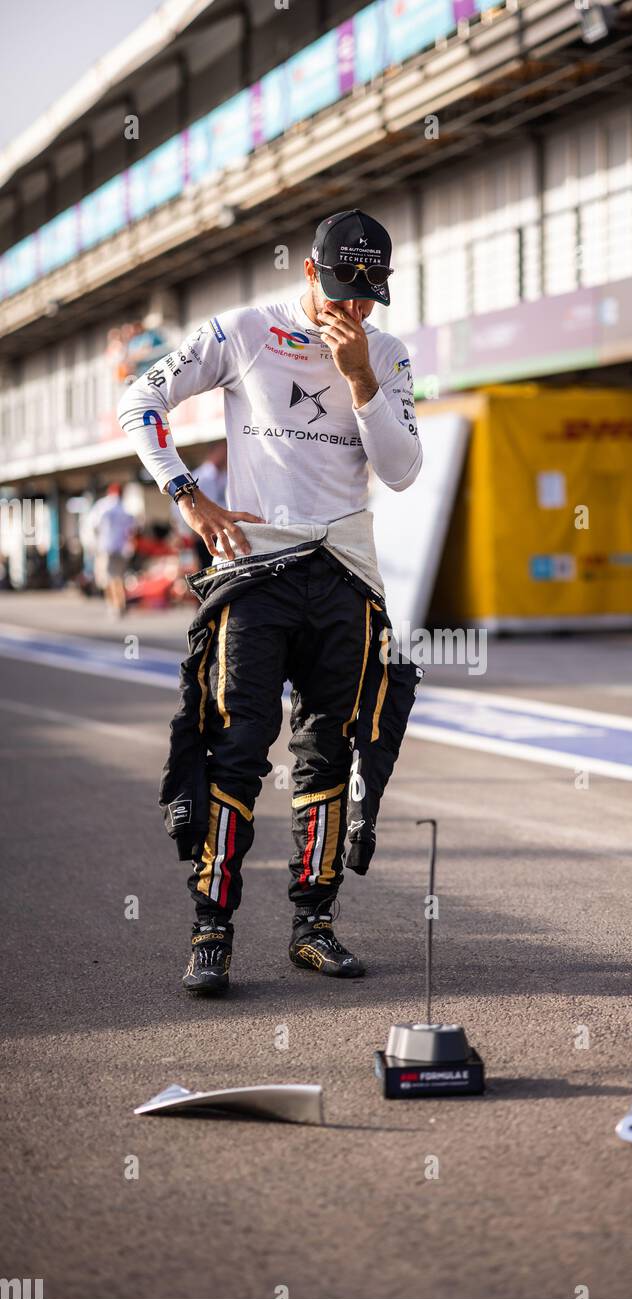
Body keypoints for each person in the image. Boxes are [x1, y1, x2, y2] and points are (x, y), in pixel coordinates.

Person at [118, 209, 422, 993]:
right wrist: (189, 498)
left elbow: (401, 471)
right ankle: (210, 930)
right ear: (310, 275)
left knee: (331, 751)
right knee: (235, 747)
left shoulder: (386, 356)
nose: (354, 310)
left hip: (345, 577)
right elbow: (140, 399)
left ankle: (314, 926)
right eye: (343, 291)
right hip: (256, 573)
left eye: (369, 296)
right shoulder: (247, 329)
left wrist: (359, 377)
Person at [87, 483, 135, 617]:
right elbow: (131, 529)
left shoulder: (103, 506)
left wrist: (94, 544)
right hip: (122, 549)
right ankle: (120, 603)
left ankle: (114, 605)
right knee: (119, 577)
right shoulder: (124, 508)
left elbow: (93, 525)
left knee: (108, 578)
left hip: (106, 547)